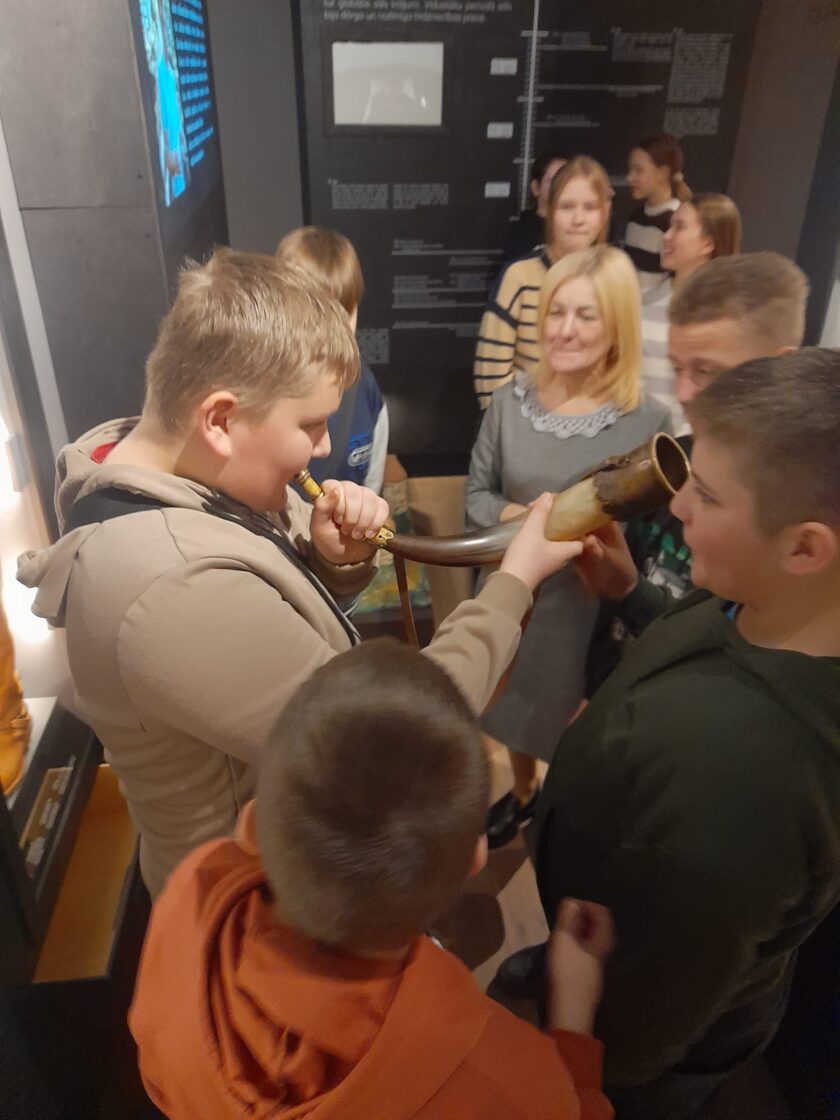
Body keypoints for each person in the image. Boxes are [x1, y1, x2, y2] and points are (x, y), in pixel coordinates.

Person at [17, 250, 584, 899]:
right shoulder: (168, 586)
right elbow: (388, 739)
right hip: (254, 915)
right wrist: (514, 586)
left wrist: (330, 562)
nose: (324, 447)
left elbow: (266, 624)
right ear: (220, 420)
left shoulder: (187, 469)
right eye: (310, 425)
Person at [532, 348, 840, 1119]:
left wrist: (575, 1026)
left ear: (804, 547)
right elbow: (708, 633)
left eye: (706, 494)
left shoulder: (741, 793)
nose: (677, 510)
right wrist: (632, 597)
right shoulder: (756, 597)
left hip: (617, 1034)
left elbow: (641, 1035)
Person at [129, 639, 616, 1119]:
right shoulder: (506, 1083)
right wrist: (573, 1019)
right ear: (475, 855)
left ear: (252, 825)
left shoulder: (191, 892)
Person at [466, 246, 671, 850]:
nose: (564, 329)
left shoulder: (647, 424)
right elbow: (476, 496)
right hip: (515, 601)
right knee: (508, 713)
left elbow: (654, 542)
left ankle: (560, 815)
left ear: (617, 327)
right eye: (556, 311)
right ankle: (523, 792)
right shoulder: (510, 403)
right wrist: (525, 519)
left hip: (589, 618)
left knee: (577, 739)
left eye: (585, 315)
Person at [585, 251, 809, 693]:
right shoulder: (671, 458)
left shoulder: (795, 510)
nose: (684, 393)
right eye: (676, 368)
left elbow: (721, 657)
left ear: (780, 368)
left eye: (708, 371)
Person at [474, 156, 612, 410]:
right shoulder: (520, 277)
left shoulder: (614, 280)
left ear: (604, 213)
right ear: (549, 210)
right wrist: (518, 426)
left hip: (596, 423)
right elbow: (490, 378)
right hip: (526, 423)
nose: (578, 219)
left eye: (590, 207)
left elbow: (623, 370)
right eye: (567, 206)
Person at [276, 226, 389, 494]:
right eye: (318, 316)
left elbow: (371, 486)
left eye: (344, 313)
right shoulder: (260, 395)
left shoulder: (366, 391)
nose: (334, 331)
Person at [641, 192, 741, 433]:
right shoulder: (643, 301)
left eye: (679, 227)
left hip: (687, 444)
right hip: (635, 439)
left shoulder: (727, 317)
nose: (666, 236)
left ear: (707, 243)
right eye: (669, 227)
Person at [622, 134, 690, 292]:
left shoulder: (675, 221)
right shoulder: (636, 218)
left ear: (663, 173)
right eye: (630, 169)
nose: (630, 178)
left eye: (639, 170)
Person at [501, 151, 567, 265]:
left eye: (567, 180)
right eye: (554, 180)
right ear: (536, 187)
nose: (561, 186)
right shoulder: (521, 233)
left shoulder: (579, 228)